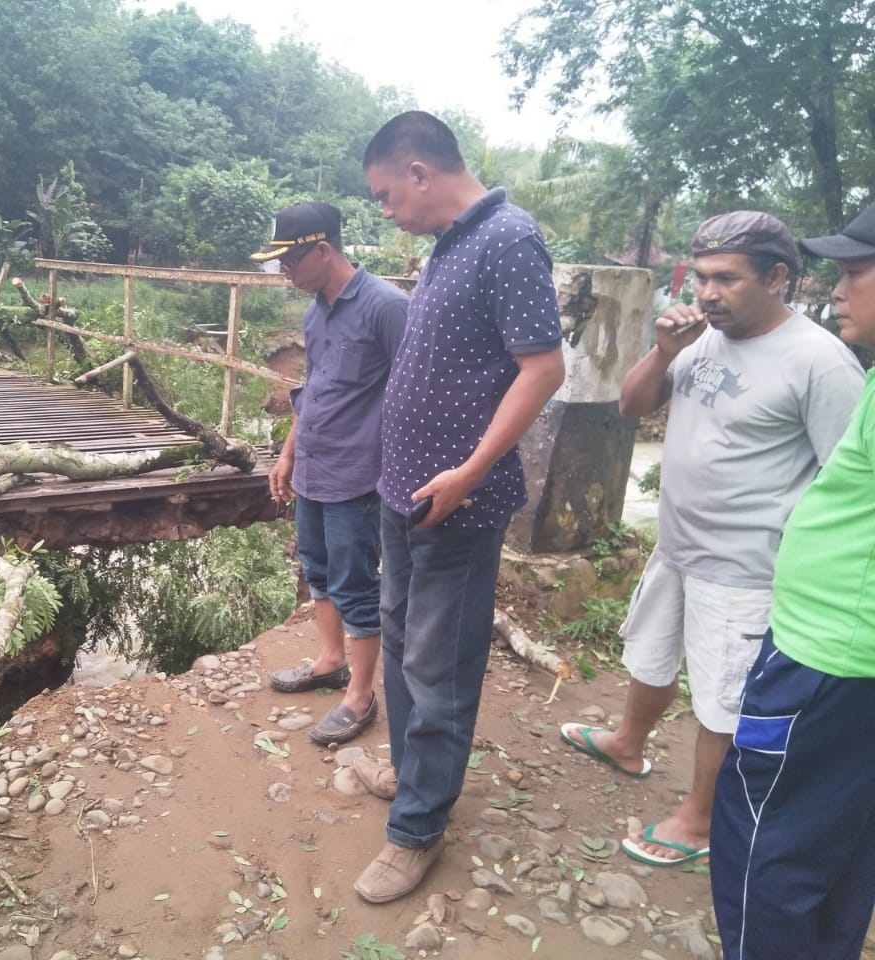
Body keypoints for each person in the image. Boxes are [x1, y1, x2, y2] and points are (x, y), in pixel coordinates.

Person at [557, 212, 863, 868]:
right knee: (652, 653)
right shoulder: (700, 337)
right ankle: (627, 742)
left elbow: (846, 481)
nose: (707, 293)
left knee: (724, 698)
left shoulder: (820, 362)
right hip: (678, 546)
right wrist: (665, 351)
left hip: (748, 566)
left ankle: (699, 819)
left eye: (726, 278)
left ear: (777, 277)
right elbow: (631, 407)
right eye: (700, 278)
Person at [351, 111, 565, 903]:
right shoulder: (449, 244)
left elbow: (542, 369)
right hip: (403, 494)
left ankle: (417, 831)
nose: (384, 212)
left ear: (418, 173)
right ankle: (414, 778)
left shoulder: (509, 237)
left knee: (438, 668)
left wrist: (470, 472)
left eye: (383, 195)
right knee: (404, 642)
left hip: (458, 504)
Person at [710, 201, 875, 960]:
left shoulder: (827, 365)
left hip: (825, 659)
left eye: (854, 273)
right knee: (838, 846)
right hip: (848, 661)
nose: (838, 291)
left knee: (766, 845)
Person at [252, 201, 408, 745]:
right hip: (314, 466)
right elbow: (314, 390)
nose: (283, 273)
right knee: (317, 570)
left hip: (358, 477)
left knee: (356, 585)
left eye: (289, 261)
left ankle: (361, 696)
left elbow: (415, 394)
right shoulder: (316, 311)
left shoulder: (387, 308)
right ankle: (329, 661)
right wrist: (288, 454)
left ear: (323, 251)